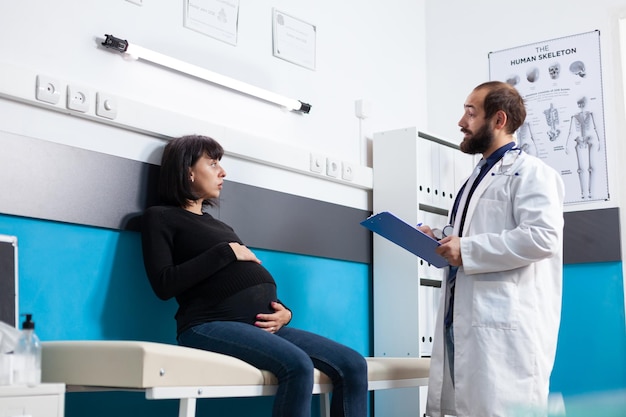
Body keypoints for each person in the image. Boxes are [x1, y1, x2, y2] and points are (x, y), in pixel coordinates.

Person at [140, 135, 368, 417]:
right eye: (212, 164)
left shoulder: (219, 225)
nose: (222, 172)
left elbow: (242, 276)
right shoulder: (160, 217)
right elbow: (163, 284)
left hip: (261, 324)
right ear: (187, 170)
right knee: (297, 365)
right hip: (208, 324)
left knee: (354, 364)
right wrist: (225, 252)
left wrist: (285, 312)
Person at [420, 81, 565, 417]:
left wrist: (467, 249)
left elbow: (543, 237)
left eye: (471, 113)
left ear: (498, 120)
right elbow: (474, 233)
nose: (461, 121)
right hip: (462, 323)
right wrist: (439, 238)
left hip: (503, 330)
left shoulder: (532, 174)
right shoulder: (476, 178)